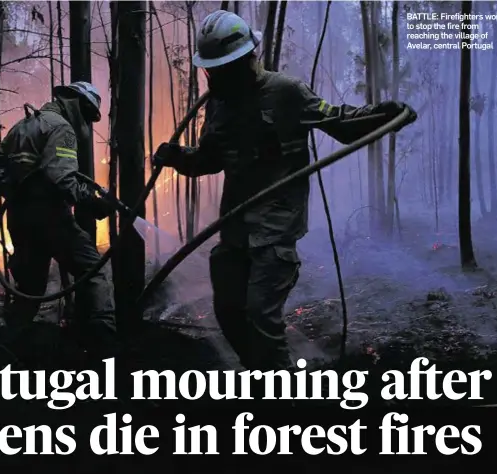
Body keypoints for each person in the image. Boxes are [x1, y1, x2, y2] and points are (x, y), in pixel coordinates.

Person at [153, 11, 417, 371]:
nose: (218, 76)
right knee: (228, 310)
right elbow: (209, 160)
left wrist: (383, 116)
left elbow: (340, 122)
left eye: (225, 67)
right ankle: (262, 375)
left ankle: (282, 394)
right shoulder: (218, 104)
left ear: (248, 59)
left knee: (261, 313)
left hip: (275, 229)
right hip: (234, 229)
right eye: (213, 69)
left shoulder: (286, 92)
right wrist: (177, 157)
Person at [0, 81, 117, 350]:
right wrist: (93, 203)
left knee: (30, 287)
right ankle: (105, 342)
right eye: (89, 115)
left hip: (19, 220)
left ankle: (4, 349)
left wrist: (15, 192)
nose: (88, 124)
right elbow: (62, 177)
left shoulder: (25, 125)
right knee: (93, 271)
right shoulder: (62, 128)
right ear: (78, 105)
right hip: (51, 217)